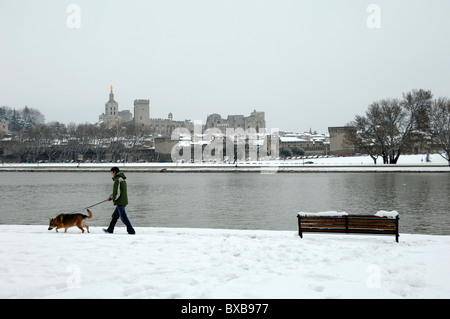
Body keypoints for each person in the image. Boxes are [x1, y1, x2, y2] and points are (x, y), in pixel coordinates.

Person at [103, 167, 136, 234]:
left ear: (114, 172)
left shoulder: (118, 180)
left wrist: (111, 198)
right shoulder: (122, 179)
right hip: (123, 201)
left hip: (120, 201)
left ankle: (131, 231)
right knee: (114, 216)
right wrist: (111, 197)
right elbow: (119, 192)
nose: (111, 174)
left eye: (111, 172)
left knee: (123, 218)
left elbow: (117, 193)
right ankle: (110, 230)